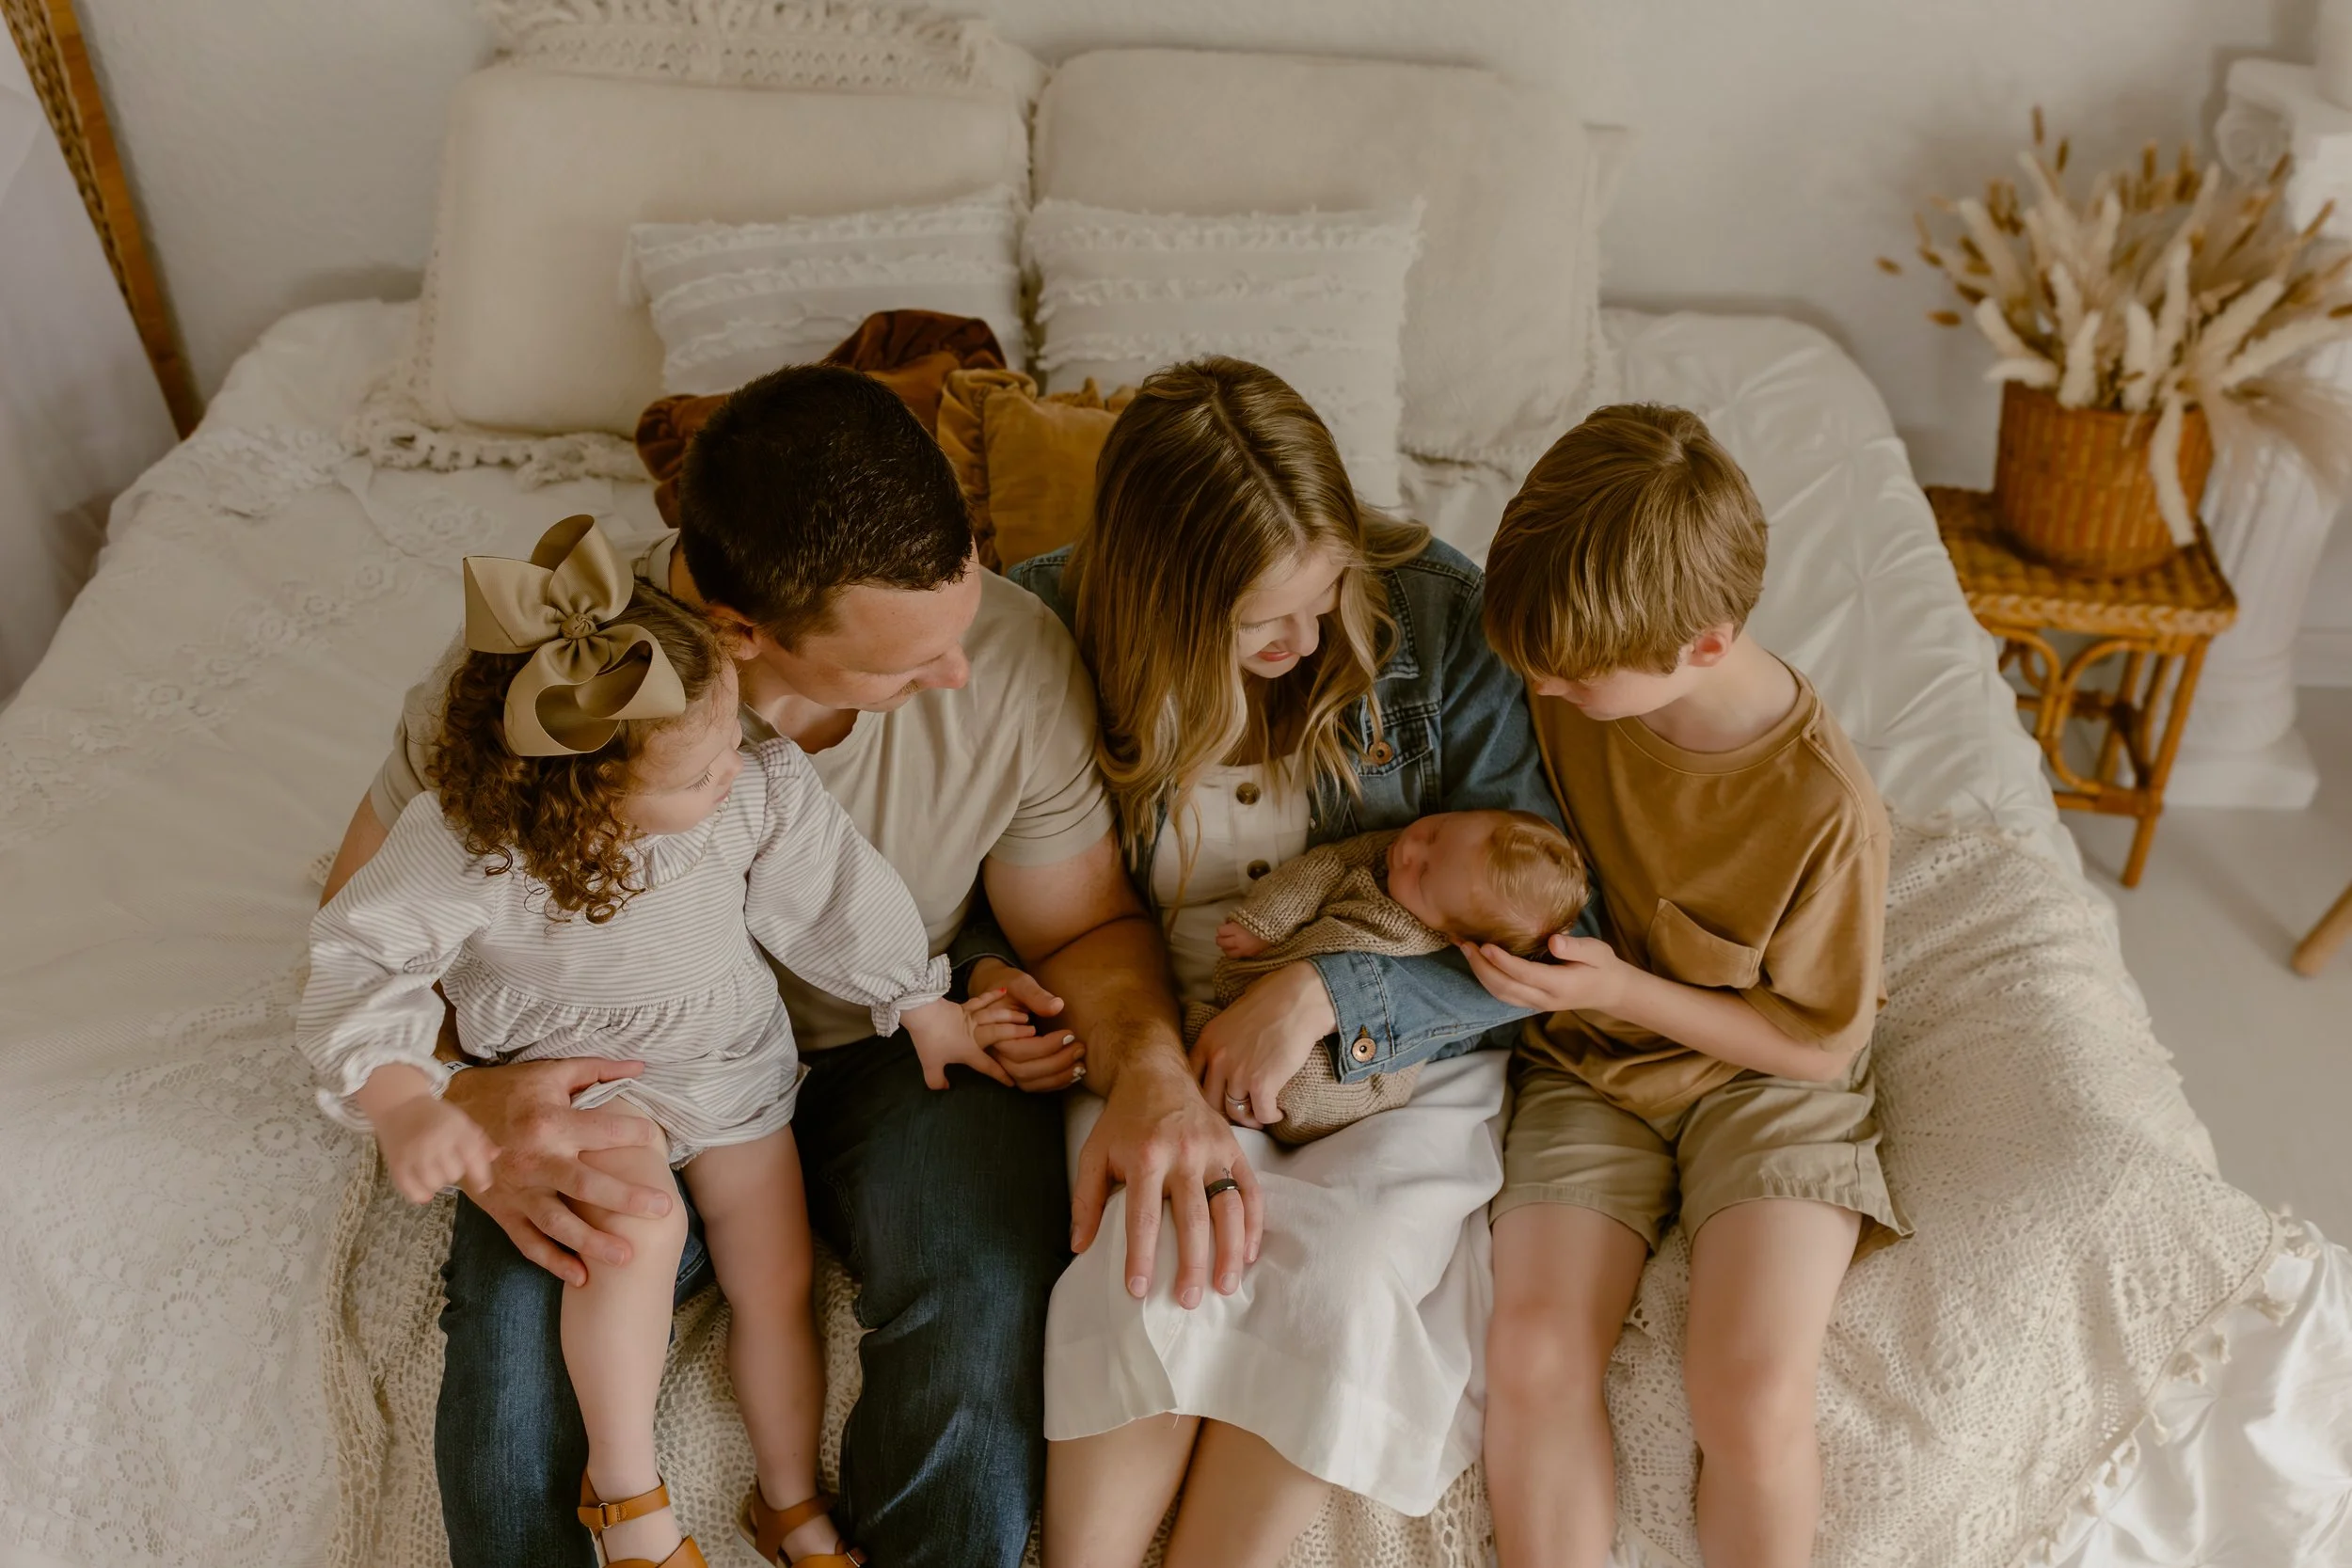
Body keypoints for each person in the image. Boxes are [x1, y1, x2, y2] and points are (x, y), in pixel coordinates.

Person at [318, 367, 1259, 1568]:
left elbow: (1080, 927)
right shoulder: (546, 676)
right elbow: (369, 921)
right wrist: (459, 1091)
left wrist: (1133, 1064)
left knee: (978, 1319)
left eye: (957, 621)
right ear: (737, 634)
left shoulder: (1007, 658)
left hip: (895, 1045)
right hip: (607, 1074)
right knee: (510, 1366)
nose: (954, 675)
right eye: (901, 665)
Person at [303, 516, 1005, 1567]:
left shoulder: (749, 789)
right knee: (635, 1232)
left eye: (730, 742)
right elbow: (363, 953)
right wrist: (410, 1097)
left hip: (730, 1066)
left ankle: (787, 1498)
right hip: (582, 1088)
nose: (732, 768)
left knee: (774, 1277)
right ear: (585, 794)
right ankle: (632, 1503)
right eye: (697, 770)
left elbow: (837, 893)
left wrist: (918, 1000)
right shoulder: (471, 844)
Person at [1011, 356, 1590, 1568]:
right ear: (1165, 601)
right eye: (1261, 618)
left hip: (1402, 1038)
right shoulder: (1045, 629)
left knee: (1350, 1271)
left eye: (1323, 593)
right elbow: (983, 889)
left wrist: (1330, 990)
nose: (1307, 635)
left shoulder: (1433, 615)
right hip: (1149, 1028)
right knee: (1157, 1255)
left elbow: (1548, 921)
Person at [1466, 404, 1906, 1568]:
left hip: (1765, 1080)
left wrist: (1617, 985)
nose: (1542, 695)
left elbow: (1813, 1044)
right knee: (1532, 1354)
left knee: (1750, 1392)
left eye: (1572, 680)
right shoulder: (1560, 669)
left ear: (1704, 644)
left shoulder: (1822, 808)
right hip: (1588, 1070)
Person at [1189, 810, 1589, 1143]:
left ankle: (1256, 1095)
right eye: (1435, 831)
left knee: (1313, 1083)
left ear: (1459, 937)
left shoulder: (1449, 955)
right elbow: (1320, 867)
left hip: (1362, 1059)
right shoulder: (1380, 854)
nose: (1409, 850)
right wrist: (1263, 922)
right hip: (1264, 979)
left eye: (1423, 876)